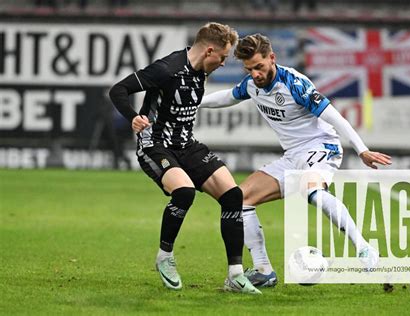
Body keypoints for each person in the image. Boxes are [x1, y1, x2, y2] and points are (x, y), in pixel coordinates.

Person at [200, 33, 392, 287]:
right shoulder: (251, 85)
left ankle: (364, 248)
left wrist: (362, 149)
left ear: (272, 58)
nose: (255, 74)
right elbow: (227, 97)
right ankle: (264, 271)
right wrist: (195, 104)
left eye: (259, 67)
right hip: (293, 156)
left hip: (322, 147)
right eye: (249, 69)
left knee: (311, 190)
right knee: (240, 199)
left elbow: (335, 117)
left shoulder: (295, 84)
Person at [108, 23, 260, 294]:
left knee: (233, 195)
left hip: (186, 145)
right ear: (209, 51)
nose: (224, 63)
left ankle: (235, 275)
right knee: (184, 192)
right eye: (223, 57)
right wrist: (133, 117)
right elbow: (118, 90)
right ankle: (164, 257)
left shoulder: (200, 68)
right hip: (155, 145)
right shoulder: (166, 69)